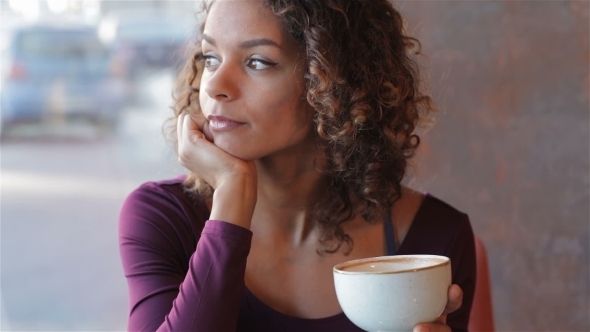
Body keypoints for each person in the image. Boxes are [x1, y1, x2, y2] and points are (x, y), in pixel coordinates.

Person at [118, 0, 476, 331]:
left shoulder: (434, 239)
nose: (215, 86)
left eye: (257, 61)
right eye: (210, 57)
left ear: (335, 82)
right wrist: (231, 195)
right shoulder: (163, 218)